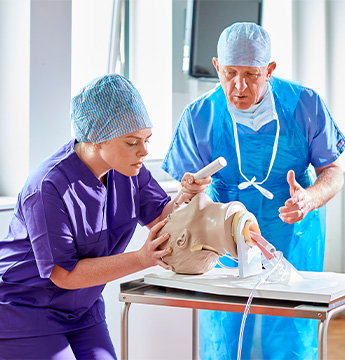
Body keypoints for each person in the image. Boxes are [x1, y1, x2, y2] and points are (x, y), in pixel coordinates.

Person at [162, 22, 345, 360]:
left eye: (251, 74)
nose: (239, 86)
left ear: (270, 70)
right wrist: (189, 191)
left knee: (290, 333)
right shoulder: (199, 116)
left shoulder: (305, 105)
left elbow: (333, 171)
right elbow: (182, 196)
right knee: (225, 334)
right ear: (217, 66)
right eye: (230, 73)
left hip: (292, 232)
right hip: (222, 233)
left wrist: (310, 198)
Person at [0, 74, 210, 360]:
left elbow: (162, 217)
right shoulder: (48, 187)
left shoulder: (129, 170)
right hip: (27, 310)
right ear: (96, 136)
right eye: (132, 142)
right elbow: (64, 273)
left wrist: (185, 196)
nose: (144, 151)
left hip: (83, 307)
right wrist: (141, 258)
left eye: (147, 139)